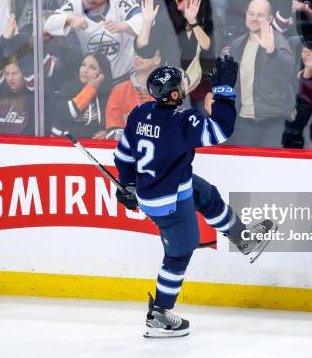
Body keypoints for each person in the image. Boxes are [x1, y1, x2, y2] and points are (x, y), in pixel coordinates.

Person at [113, 56, 273, 338]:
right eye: (181, 84)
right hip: (168, 202)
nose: (185, 86)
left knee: (206, 194)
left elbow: (124, 155)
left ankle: (244, 238)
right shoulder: (183, 121)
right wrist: (224, 89)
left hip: (162, 186)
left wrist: (126, 184)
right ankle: (160, 314)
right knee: (179, 253)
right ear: (174, 94)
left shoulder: (140, 113)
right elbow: (222, 130)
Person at [43, 0, 142, 84]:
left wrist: (124, 26)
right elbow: (49, 24)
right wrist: (70, 20)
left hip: (126, 78)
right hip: (94, 82)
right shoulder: (75, 2)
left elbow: (142, 23)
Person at [229, 0, 295, 148]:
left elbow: (288, 69)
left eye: (260, 15)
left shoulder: (278, 42)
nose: (254, 18)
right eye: (251, 13)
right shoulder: (237, 44)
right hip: (244, 120)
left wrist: (272, 51)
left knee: (270, 168)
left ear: (270, 19)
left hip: (272, 120)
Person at [96, 43, 160, 140]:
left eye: (143, 54)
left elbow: (168, 129)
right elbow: (114, 132)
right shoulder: (119, 90)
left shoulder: (168, 91)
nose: (137, 57)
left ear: (157, 60)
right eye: (135, 55)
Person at [46, 51, 113, 138]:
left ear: (102, 74)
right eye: (83, 64)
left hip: (95, 148)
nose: (85, 70)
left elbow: (114, 124)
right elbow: (68, 113)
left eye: (92, 68)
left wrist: (107, 132)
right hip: (66, 145)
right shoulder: (67, 88)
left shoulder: (108, 94)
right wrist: (91, 88)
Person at [0, 55, 34, 135]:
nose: (11, 78)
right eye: (7, 74)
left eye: (15, 73)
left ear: (24, 73)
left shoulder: (32, 92)